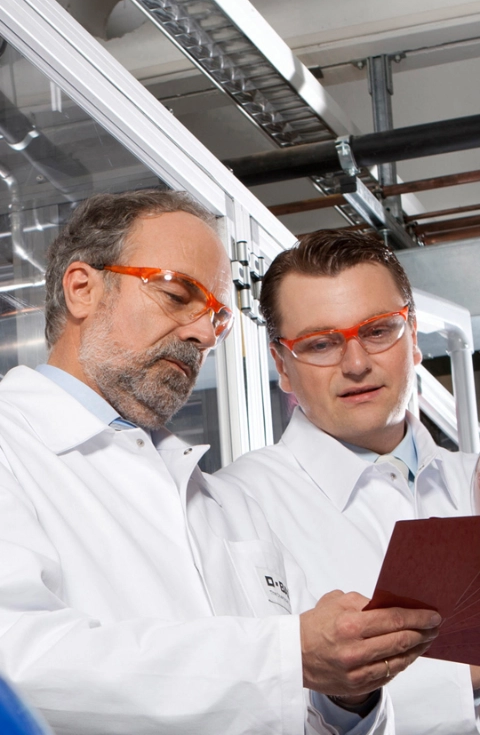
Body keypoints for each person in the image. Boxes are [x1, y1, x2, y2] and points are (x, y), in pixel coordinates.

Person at [0, 192, 439, 735]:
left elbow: (297, 707)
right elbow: (18, 666)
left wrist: (347, 697)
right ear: (83, 288)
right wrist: (286, 655)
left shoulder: (223, 503)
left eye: (216, 315)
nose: (203, 333)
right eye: (177, 293)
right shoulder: (12, 448)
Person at [218, 228, 479, 735]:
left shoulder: (470, 478)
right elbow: (268, 708)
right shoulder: (233, 506)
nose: (357, 363)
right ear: (283, 367)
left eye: (379, 331)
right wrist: (464, 676)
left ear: (414, 335)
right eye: (320, 343)